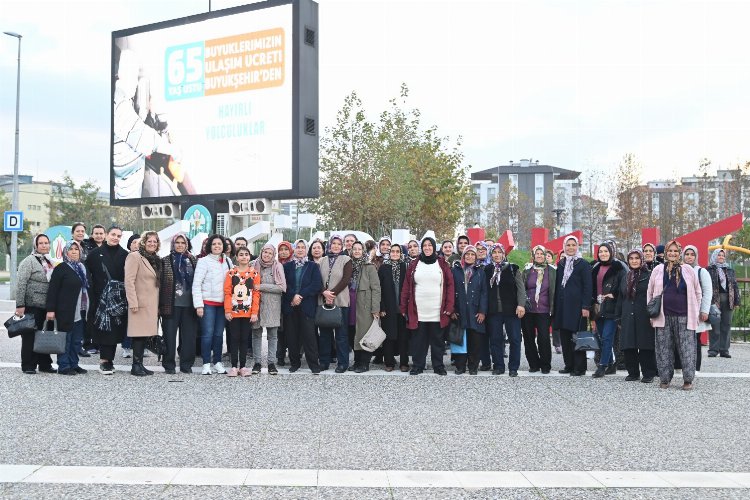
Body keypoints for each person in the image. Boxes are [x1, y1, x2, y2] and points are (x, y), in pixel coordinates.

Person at [647, 240, 702, 390]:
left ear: (680, 253)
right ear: (665, 253)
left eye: (675, 251)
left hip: (685, 316)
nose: (672, 254)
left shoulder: (688, 270)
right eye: (670, 251)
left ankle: (688, 380)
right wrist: (652, 315)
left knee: (687, 350)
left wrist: (696, 312)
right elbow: (650, 292)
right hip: (663, 316)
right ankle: (665, 379)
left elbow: (697, 292)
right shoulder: (658, 269)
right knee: (663, 349)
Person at [400, 237, 454, 376]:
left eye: (430, 245)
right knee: (418, 341)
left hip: (438, 310)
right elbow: (406, 286)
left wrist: (449, 307)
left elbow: (450, 286)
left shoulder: (442, 264)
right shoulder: (414, 264)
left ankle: (438, 366)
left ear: (434, 247)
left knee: (438, 341)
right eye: (425, 245)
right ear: (421, 247)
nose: (427, 247)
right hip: (418, 311)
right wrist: (403, 307)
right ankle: (418, 365)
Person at [86, 226, 129, 374]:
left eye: (118, 235)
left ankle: (109, 360)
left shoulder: (125, 255)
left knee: (116, 329)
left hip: (118, 298)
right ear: (106, 235)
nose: (115, 237)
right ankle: (105, 361)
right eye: (113, 234)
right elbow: (88, 277)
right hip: (101, 298)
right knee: (104, 329)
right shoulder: (94, 254)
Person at [46, 241, 90, 375]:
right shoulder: (61, 268)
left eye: (77, 249)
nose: (74, 251)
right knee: (66, 339)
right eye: (71, 249)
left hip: (80, 310)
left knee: (77, 340)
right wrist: (50, 310)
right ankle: (64, 366)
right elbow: (53, 290)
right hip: (66, 309)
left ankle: (74, 363)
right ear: (66, 252)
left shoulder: (81, 267)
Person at [14, 234, 56, 374]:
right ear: (36, 246)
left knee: (44, 335)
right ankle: (28, 365)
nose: (44, 245)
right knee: (29, 336)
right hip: (32, 305)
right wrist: (20, 305)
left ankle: (45, 364)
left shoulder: (50, 261)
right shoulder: (29, 261)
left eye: (46, 243)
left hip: (47, 306)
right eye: (41, 243)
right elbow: (20, 284)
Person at [193, 234, 233, 375]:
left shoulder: (227, 261)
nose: (217, 246)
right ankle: (205, 363)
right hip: (207, 303)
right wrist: (199, 305)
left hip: (223, 304)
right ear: (210, 246)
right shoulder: (203, 261)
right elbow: (196, 284)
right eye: (214, 244)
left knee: (218, 335)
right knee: (207, 334)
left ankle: (217, 362)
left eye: (219, 244)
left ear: (223, 246)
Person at [615, 248, 657, 383]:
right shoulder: (625, 277)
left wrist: (654, 315)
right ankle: (633, 373)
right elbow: (621, 298)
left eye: (637, 258)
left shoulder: (649, 276)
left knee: (645, 345)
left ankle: (648, 373)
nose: (634, 261)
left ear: (642, 259)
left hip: (644, 315)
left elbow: (655, 297)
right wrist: (618, 316)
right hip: (627, 315)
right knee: (629, 345)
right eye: (631, 259)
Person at [554, 235, 593, 376]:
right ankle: (568, 365)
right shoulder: (561, 264)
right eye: (568, 245)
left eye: (573, 245)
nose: (570, 248)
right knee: (565, 337)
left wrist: (586, 306)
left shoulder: (583, 264)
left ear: (577, 247)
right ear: (564, 247)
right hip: (563, 306)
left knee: (578, 337)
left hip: (577, 307)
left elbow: (588, 287)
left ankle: (580, 367)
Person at [124, 231, 161, 376]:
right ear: (143, 242)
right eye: (149, 241)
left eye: (155, 241)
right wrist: (133, 301)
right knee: (138, 335)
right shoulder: (134, 257)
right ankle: (135, 366)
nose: (152, 243)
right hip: (139, 303)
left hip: (151, 304)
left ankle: (140, 365)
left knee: (145, 335)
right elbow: (129, 280)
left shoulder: (155, 259)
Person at [160, 233, 198, 374]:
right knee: (169, 336)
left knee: (189, 337)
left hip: (190, 305)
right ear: (173, 244)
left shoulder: (194, 260)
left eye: (183, 242)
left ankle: (186, 365)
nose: (180, 245)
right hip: (170, 305)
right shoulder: (165, 261)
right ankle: (169, 365)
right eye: (177, 242)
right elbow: (159, 284)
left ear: (187, 244)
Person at [484, 243, 525, 376]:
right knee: (495, 339)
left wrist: (521, 305)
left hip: (511, 310)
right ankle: (499, 366)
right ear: (491, 255)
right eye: (494, 252)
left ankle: (513, 368)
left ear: (504, 254)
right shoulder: (487, 269)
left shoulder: (513, 268)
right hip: (493, 311)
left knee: (515, 339)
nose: (497, 255)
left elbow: (521, 289)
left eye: (499, 252)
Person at [282, 240, 323, 373]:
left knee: (309, 336)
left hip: (307, 305)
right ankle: (294, 363)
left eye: (303, 247)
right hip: (291, 305)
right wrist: (293, 296)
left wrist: (300, 296)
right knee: (292, 336)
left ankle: (314, 365)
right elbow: (284, 285)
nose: (300, 250)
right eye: (298, 247)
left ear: (306, 250)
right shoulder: (287, 266)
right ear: (294, 249)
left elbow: (316, 285)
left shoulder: (312, 266)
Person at [590, 241, 627, 378]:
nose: (603, 254)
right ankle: (611, 364)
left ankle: (602, 365)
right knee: (600, 337)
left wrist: (615, 294)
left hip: (612, 307)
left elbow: (625, 286)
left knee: (607, 337)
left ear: (611, 252)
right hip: (597, 307)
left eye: (606, 251)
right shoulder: (595, 267)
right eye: (601, 252)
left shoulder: (619, 267)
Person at [318, 235, 353, 372]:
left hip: (340, 301)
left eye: (339, 244)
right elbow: (317, 279)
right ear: (329, 245)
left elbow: (346, 279)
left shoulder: (346, 259)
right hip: (323, 301)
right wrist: (324, 292)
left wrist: (331, 294)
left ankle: (343, 363)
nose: (336, 246)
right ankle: (324, 362)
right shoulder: (322, 260)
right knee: (325, 334)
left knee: (341, 334)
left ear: (342, 245)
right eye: (334, 243)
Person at [223, 247, 260, 377]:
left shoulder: (254, 274)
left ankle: (243, 366)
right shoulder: (231, 273)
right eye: (241, 255)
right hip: (233, 312)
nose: (244, 257)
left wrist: (254, 312)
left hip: (248, 312)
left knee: (244, 339)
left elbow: (256, 294)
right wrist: (227, 310)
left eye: (246, 255)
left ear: (249, 257)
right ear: (237, 257)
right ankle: (233, 366)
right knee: (234, 338)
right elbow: (227, 293)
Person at [451, 245, 488, 375]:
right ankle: (460, 366)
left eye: (473, 254)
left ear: (476, 257)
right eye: (467, 254)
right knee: (460, 340)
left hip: (475, 311)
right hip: (459, 309)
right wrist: (452, 309)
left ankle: (473, 366)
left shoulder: (480, 272)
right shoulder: (455, 270)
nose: (470, 257)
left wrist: (483, 311)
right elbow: (450, 291)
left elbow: (484, 292)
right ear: (463, 256)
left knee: (475, 340)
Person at [251, 243, 286, 375]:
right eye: (265, 252)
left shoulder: (277, 266)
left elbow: (281, 287)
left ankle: (271, 363)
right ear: (261, 252)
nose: (267, 255)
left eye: (270, 253)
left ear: (274, 255)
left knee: (272, 336)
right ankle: (257, 363)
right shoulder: (254, 264)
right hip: (256, 305)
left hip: (273, 305)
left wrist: (261, 286)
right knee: (256, 334)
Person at [522, 245, 556, 374]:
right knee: (529, 338)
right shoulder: (527, 270)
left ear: (545, 255)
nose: (540, 256)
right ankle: (533, 364)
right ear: (533, 256)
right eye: (537, 254)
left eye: (542, 254)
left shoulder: (552, 271)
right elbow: (522, 288)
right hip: (528, 310)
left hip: (544, 310)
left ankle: (545, 365)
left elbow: (555, 290)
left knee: (544, 338)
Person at [349, 241, 381, 373]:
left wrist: (375, 308)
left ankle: (364, 363)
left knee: (365, 334)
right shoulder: (348, 265)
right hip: (351, 304)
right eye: (354, 249)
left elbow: (376, 288)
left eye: (359, 249)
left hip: (365, 305)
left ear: (363, 251)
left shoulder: (369, 267)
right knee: (353, 334)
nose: (357, 251)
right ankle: (356, 361)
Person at [379, 242, 410, 372]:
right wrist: (381, 307)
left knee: (404, 337)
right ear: (389, 253)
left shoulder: (405, 267)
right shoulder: (383, 268)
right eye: (393, 251)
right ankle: (389, 362)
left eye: (398, 251)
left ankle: (404, 363)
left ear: (401, 253)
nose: (395, 254)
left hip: (402, 309)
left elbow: (409, 288)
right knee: (388, 336)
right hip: (388, 308)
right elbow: (378, 289)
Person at [681, 245, 712, 371]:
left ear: (696, 256)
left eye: (692, 254)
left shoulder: (701, 271)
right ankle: (683, 367)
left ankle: (696, 367)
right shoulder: (680, 269)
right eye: (687, 254)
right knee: (682, 340)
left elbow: (707, 291)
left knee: (695, 340)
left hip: (696, 312)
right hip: (681, 311)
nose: (689, 257)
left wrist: (704, 310)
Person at [707, 248, 740, 358]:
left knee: (726, 324)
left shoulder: (730, 270)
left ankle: (724, 350)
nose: (721, 257)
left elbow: (735, 286)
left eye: (723, 255)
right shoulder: (709, 270)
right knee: (715, 325)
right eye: (719, 255)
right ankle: (713, 350)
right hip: (714, 300)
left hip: (728, 300)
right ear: (714, 256)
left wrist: (737, 301)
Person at [121, 233, 141, 359]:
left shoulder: (146, 256)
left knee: (141, 322)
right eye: (133, 242)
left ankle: (142, 346)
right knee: (129, 321)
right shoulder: (126, 257)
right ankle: (126, 346)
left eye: (139, 242)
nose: (136, 244)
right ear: (129, 244)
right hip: (129, 293)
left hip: (143, 293)